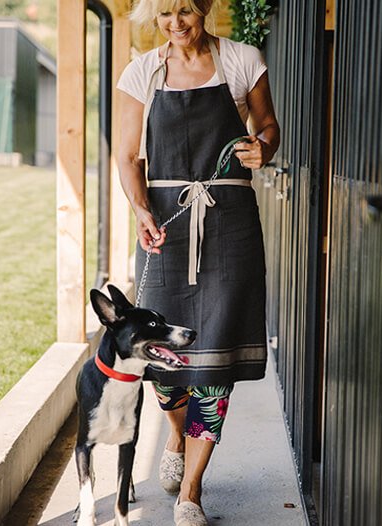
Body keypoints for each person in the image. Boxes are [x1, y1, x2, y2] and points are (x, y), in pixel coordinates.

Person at [116, 0, 280, 524]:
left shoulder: (241, 60)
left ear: (204, 8)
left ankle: (191, 492)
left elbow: (268, 126)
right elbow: (127, 157)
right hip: (167, 225)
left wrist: (263, 148)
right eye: (165, 14)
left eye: (185, 10)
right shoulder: (141, 72)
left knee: (217, 359)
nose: (176, 23)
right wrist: (141, 209)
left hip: (229, 223)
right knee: (166, 363)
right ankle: (174, 438)